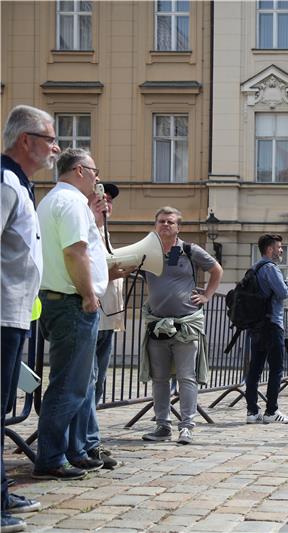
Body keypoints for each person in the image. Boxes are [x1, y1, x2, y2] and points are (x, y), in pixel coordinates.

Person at [33, 148, 108, 480]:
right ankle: (50, 456)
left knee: (77, 382)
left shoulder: (50, 200)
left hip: (56, 299)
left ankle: (73, 450)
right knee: (68, 386)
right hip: (72, 302)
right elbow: (76, 252)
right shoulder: (74, 203)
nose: (97, 178)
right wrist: (89, 294)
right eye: (94, 171)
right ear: (79, 170)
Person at [2, 105, 58, 528]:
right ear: (26, 140)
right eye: (50, 138)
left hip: (15, 312)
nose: (56, 148)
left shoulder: (20, 184)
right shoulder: (4, 182)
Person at [139, 207, 222, 444]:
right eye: (161, 221)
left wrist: (207, 295)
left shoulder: (189, 250)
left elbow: (216, 269)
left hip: (186, 324)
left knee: (187, 377)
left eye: (170, 222)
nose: (165, 225)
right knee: (160, 379)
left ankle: (187, 426)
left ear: (178, 227)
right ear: (155, 225)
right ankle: (162, 426)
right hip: (157, 325)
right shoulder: (146, 251)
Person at [85, 183, 133, 469]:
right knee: (88, 383)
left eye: (108, 202)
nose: (106, 205)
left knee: (98, 384)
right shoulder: (87, 230)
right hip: (93, 316)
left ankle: (87, 437)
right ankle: (88, 443)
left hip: (108, 320)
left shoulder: (105, 234)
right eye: (100, 200)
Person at [244, 234, 288, 424]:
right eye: (279, 247)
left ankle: (252, 412)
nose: (281, 250)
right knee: (276, 369)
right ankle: (271, 411)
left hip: (256, 325)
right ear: (270, 249)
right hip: (272, 324)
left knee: (255, 370)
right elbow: (282, 293)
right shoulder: (270, 268)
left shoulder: (254, 268)